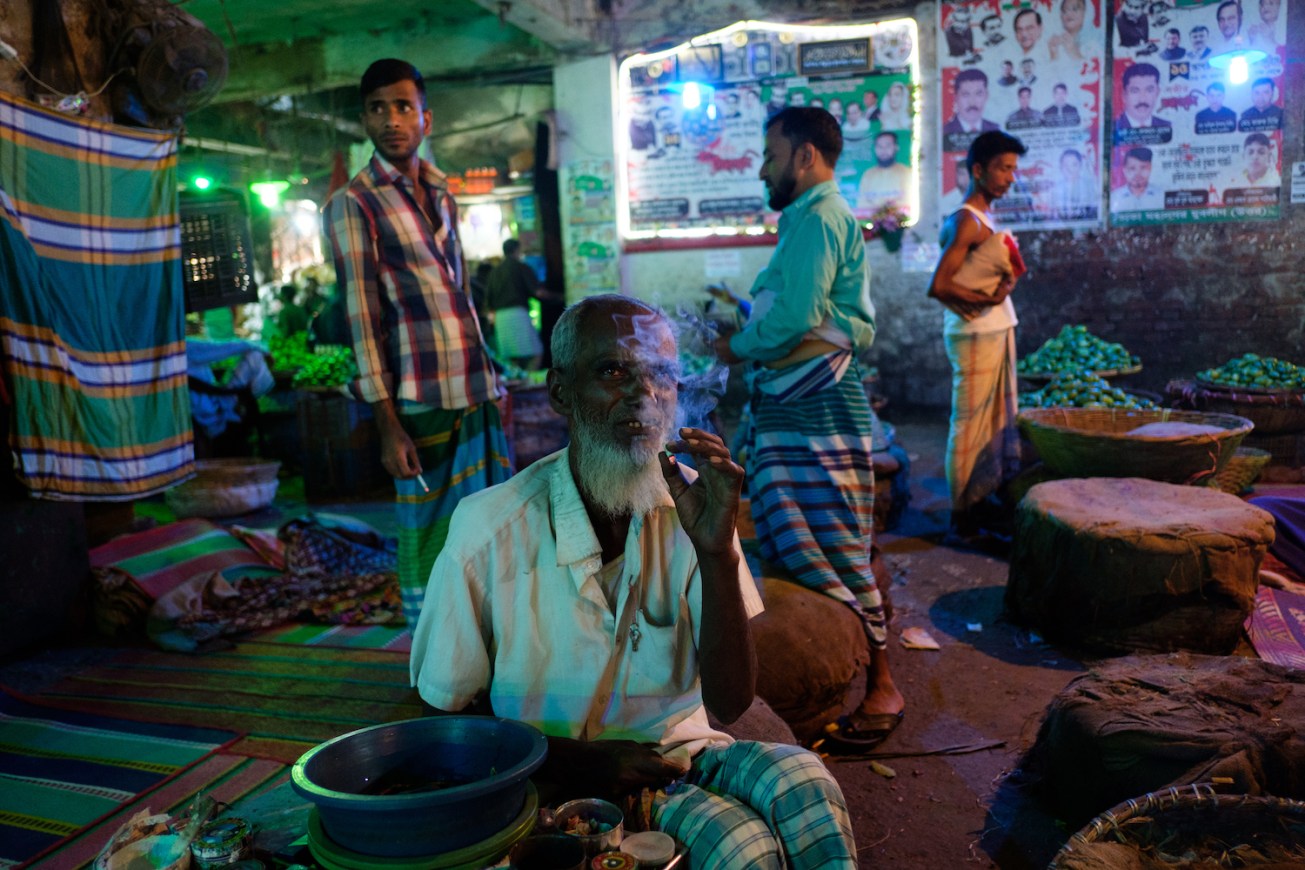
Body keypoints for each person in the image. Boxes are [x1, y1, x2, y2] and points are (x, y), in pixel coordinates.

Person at [411, 294, 859, 868]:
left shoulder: (694, 504)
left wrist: (717, 551)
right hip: (551, 779)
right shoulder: (489, 527)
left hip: (682, 755)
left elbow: (730, 701)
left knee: (806, 781)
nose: (645, 394)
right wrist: (575, 761)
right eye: (614, 370)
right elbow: (440, 717)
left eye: (663, 375)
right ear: (560, 393)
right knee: (747, 849)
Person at [712, 107, 905, 752]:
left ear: (804, 157)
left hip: (816, 415)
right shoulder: (806, 222)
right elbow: (810, 317)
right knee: (823, 544)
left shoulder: (821, 217)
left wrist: (733, 347)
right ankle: (828, 676)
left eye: (771, 156)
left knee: (841, 550)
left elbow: (796, 318)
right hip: (798, 412)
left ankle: (882, 686)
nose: (763, 169)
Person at [325, 58, 512, 625]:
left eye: (403, 106)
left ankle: (491, 638)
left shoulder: (441, 191)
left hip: (475, 387)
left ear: (425, 118)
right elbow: (362, 316)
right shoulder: (354, 203)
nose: (391, 119)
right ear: (364, 121)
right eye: (378, 109)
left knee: (491, 522)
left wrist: (493, 375)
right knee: (431, 530)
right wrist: (386, 422)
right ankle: (435, 650)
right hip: (420, 395)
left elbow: (461, 295)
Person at [928, 130, 1027, 545]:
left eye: (1012, 170)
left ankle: (980, 499)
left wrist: (997, 294)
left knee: (989, 423)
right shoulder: (967, 219)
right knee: (969, 425)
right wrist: (984, 300)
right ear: (977, 170)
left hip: (992, 332)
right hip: (975, 336)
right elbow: (939, 285)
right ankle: (962, 516)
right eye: (1003, 169)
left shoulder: (982, 218)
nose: (1009, 178)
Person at [486, 238, 546, 370]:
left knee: (512, 359)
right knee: (536, 353)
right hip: (517, 314)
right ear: (516, 250)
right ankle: (529, 383)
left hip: (500, 319)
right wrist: (559, 297)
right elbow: (538, 292)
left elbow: (488, 301)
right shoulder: (521, 267)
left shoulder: (494, 272)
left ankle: (519, 384)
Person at [944, 69, 1001, 151]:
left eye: (978, 94)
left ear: (986, 96)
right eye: (965, 94)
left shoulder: (996, 130)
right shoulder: (945, 131)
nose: (972, 102)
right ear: (955, 98)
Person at [1114, 63, 1172, 144]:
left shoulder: (1168, 126)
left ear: (1157, 92)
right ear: (1124, 95)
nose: (1142, 99)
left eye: (1149, 90)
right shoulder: (1113, 128)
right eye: (1135, 91)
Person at [857, 131, 913, 211]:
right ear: (875, 149)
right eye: (879, 146)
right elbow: (861, 203)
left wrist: (887, 212)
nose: (883, 150)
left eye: (887, 146)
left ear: (896, 147)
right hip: (872, 220)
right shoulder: (868, 174)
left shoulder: (905, 172)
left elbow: (908, 201)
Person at [1110, 146, 1163, 211]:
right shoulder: (1114, 197)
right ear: (1124, 170)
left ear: (1150, 168)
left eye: (1143, 167)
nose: (1137, 173)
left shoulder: (1161, 195)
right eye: (1132, 168)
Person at [1051, 148, 1097, 219]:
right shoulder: (1056, 189)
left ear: (1080, 165)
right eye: (1065, 165)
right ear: (1061, 167)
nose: (1069, 169)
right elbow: (1054, 214)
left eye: (1074, 165)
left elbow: (1094, 210)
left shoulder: (1090, 186)